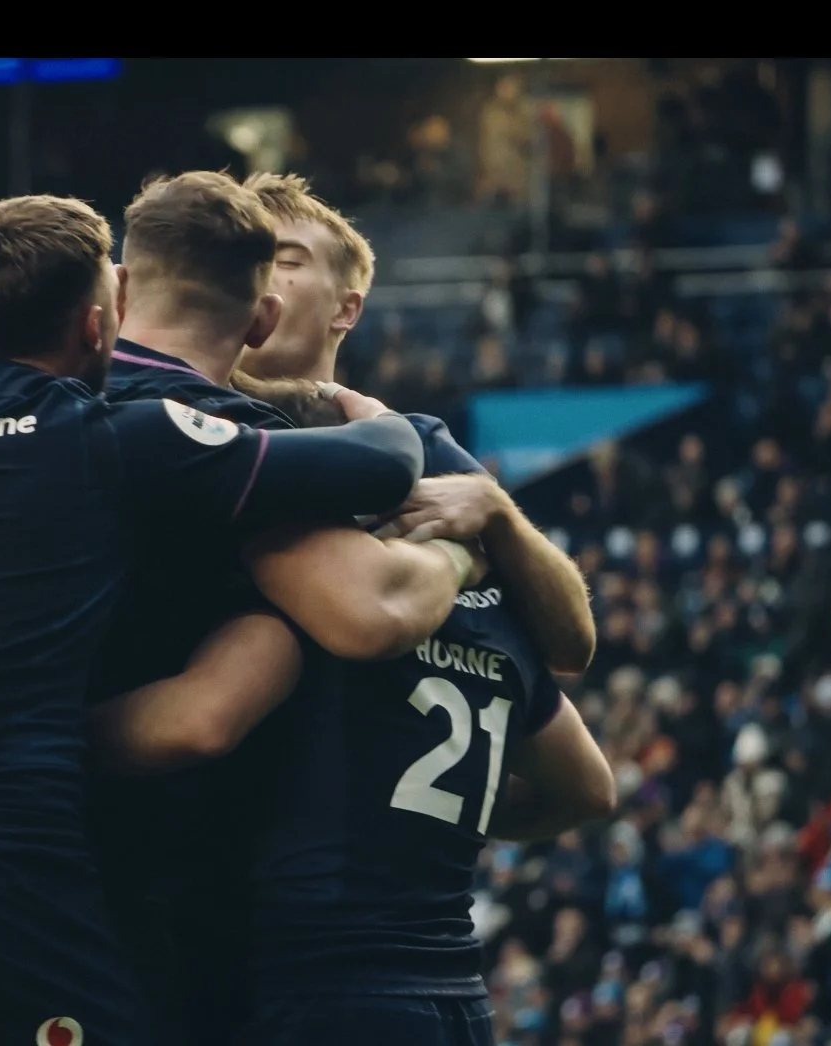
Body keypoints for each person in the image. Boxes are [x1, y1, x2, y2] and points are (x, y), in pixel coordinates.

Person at [0, 193, 428, 1046]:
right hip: (4, 858)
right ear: (101, 321)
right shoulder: (108, 436)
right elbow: (378, 467)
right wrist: (384, 425)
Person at [75, 172, 485, 1043]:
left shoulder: (48, 404)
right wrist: (461, 537)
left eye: (293, 258)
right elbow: (363, 616)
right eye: (272, 262)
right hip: (184, 896)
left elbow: (569, 660)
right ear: (256, 310)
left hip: (199, 900)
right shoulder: (233, 440)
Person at [225, 175, 612, 1046]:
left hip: (314, 970)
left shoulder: (419, 452)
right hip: (424, 976)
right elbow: (584, 780)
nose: (262, 282)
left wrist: (501, 516)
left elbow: (573, 648)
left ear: (347, 308)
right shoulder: (210, 428)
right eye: (246, 261)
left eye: (286, 261)